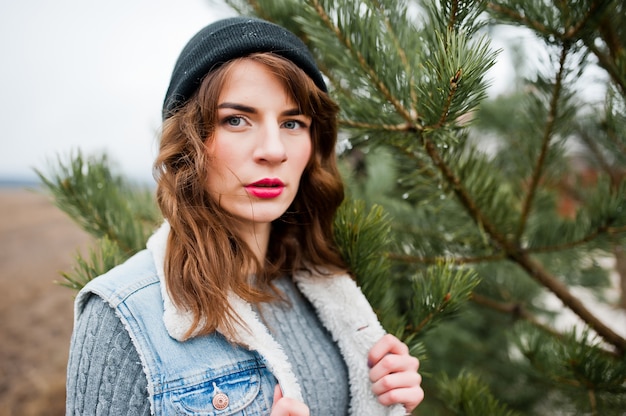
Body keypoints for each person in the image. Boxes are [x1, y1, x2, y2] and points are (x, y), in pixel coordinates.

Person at [66, 16, 423, 416]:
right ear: (189, 143)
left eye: (292, 123)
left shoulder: (325, 291)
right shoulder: (121, 318)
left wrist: (388, 403)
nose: (274, 149)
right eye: (236, 119)